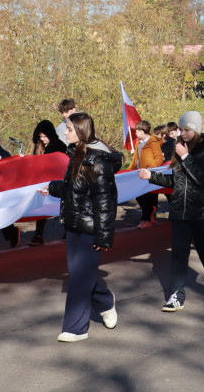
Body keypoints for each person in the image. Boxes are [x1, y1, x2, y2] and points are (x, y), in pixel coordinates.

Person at [40, 113, 120, 342]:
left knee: (77, 279)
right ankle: (105, 301)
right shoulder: (76, 154)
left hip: (90, 229)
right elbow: (72, 187)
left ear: (81, 131)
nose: (64, 133)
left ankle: (76, 329)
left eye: (68, 129)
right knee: (79, 275)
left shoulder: (97, 161)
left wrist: (103, 237)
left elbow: (105, 201)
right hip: (73, 224)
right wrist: (52, 188)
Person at [141, 111, 204, 308]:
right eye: (181, 129)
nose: (182, 133)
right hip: (181, 211)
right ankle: (176, 296)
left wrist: (186, 156)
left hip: (203, 211)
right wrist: (151, 176)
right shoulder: (180, 148)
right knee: (179, 254)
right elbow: (176, 181)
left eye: (187, 129)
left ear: (195, 129)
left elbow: (203, 179)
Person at [28, 119, 69, 245]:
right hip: (43, 182)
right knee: (42, 207)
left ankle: (69, 231)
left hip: (58, 181)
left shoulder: (59, 146)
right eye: (41, 137)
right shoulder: (39, 147)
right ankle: (38, 235)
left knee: (65, 206)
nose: (44, 139)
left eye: (45, 136)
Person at [126, 120, 164, 229]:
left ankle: (147, 218)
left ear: (142, 132)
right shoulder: (138, 143)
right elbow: (135, 161)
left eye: (137, 132)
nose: (135, 134)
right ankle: (150, 213)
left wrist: (150, 167)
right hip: (139, 175)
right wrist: (128, 172)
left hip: (149, 175)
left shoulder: (153, 142)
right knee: (138, 195)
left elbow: (159, 157)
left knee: (148, 197)